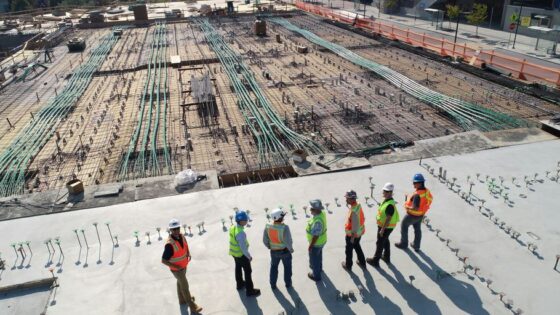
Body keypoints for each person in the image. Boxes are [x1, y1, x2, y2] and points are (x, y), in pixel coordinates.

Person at [161, 219, 203, 313]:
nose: (176, 231)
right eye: (174, 229)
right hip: (177, 270)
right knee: (185, 286)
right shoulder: (169, 244)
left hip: (184, 265)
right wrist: (176, 267)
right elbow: (163, 260)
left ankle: (182, 300)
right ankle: (192, 305)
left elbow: (185, 245)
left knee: (180, 282)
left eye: (177, 228)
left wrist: (188, 253)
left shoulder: (182, 236)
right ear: (170, 230)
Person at [395, 173, 433, 252]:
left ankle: (403, 244)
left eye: (414, 183)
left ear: (419, 183)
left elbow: (415, 207)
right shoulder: (426, 191)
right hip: (420, 215)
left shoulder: (417, 195)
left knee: (404, 226)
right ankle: (416, 246)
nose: (413, 184)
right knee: (417, 230)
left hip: (412, 215)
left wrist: (407, 206)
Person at [366, 183, 400, 267]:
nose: (383, 193)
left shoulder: (389, 205)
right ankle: (386, 257)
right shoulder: (388, 201)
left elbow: (388, 218)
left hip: (386, 227)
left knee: (380, 243)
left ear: (389, 193)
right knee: (385, 240)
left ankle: (375, 260)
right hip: (387, 227)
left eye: (384, 192)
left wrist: (382, 229)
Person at [229, 210, 261, 297]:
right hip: (241, 255)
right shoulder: (240, 233)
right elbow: (243, 247)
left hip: (234, 254)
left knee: (238, 268)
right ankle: (250, 291)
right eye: (246, 220)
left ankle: (239, 284)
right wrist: (249, 256)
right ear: (241, 221)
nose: (247, 221)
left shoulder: (233, 227)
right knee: (248, 271)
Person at [263, 208, 294, 289]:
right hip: (285, 252)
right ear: (279, 218)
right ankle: (288, 284)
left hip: (273, 252)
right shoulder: (285, 227)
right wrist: (291, 249)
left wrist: (269, 246)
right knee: (287, 268)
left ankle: (273, 284)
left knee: (273, 267)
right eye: (282, 216)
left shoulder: (268, 226)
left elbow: (265, 240)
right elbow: (288, 241)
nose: (283, 217)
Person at [342, 190, 366, 271]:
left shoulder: (354, 211)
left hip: (352, 235)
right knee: (357, 246)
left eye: (347, 198)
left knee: (349, 250)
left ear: (352, 199)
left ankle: (348, 265)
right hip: (359, 233)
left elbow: (354, 227)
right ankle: (362, 261)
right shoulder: (358, 205)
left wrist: (351, 239)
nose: (346, 200)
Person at [306, 199, 327, 281]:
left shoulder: (317, 221)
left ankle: (316, 275)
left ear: (316, 210)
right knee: (319, 256)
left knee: (314, 259)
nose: (310, 210)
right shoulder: (322, 214)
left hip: (316, 243)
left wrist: (310, 245)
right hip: (322, 241)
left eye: (311, 209)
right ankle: (319, 269)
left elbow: (315, 236)